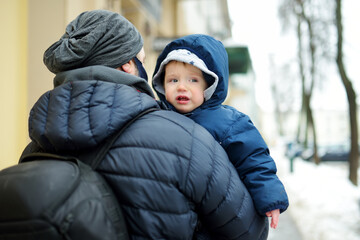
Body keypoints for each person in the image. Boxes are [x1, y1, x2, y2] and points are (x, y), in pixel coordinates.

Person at [21, 10, 269, 239]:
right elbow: (250, 231)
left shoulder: (35, 149)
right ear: (127, 65)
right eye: (141, 59)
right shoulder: (184, 138)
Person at [152, 34, 289, 229]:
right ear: (161, 84)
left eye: (193, 80)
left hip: (215, 211)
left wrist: (270, 197)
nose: (182, 87)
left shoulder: (228, 122)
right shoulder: (158, 115)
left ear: (209, 85)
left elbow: (254, 160)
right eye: (173, 80)